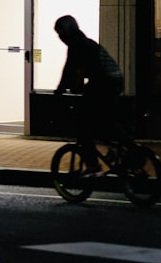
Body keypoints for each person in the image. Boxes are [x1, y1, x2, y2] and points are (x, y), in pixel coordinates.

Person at [53, 15, 126, 174]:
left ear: (68, 31)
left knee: (83, 124)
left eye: (61, 33)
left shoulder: (77, 45)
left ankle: (93, 164)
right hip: (113, 81)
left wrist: (59, 91)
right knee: (101, 120)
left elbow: (69, 71)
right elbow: (72, 71)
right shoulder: (85, 42)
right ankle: (121, 147)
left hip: (104, 83)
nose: (60, 37)